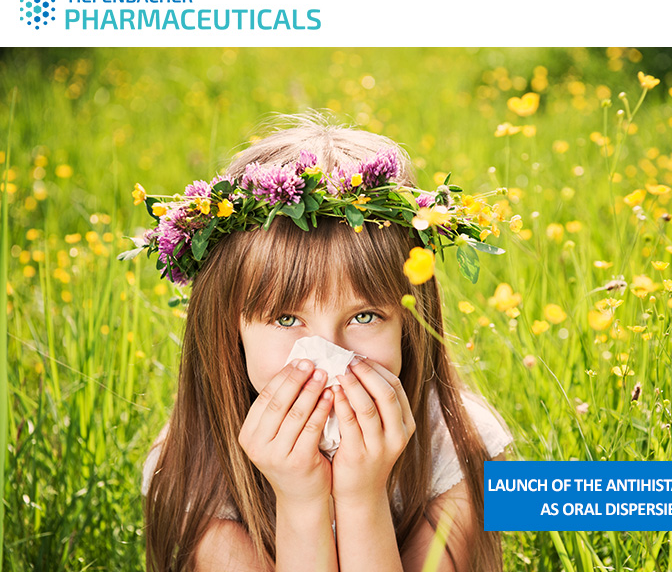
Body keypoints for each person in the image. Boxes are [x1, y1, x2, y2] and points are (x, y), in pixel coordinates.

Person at [135, 114, 512, 571]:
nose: (329, 356)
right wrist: (301, 501)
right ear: (227, 328)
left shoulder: (456, 442)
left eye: (364, 316)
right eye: (286, 317)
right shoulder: (194, 464)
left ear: (410, 323)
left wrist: (361, 497)